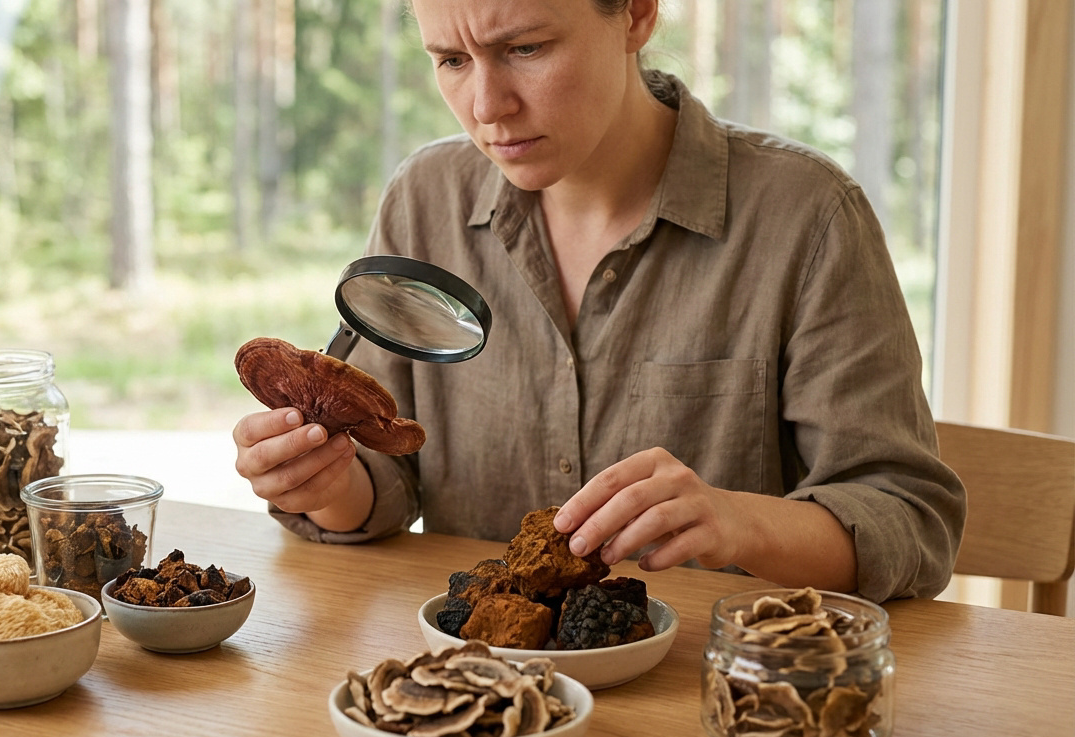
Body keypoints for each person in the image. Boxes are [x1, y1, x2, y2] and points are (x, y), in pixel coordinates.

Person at [232, 0, 965, 603]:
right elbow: (389, 481)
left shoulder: (807, 217)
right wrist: (327, 484)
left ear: (638, 15)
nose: (487, 107)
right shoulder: (424, 201)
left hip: (708, 700)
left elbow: (909, 518)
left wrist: (738, 521)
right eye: (451, 61)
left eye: (525, 48)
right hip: (479, 695)